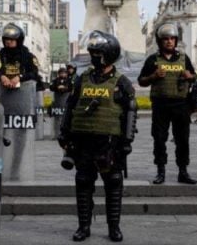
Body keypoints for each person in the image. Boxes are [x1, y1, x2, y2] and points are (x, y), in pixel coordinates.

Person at [58, 30, 136, 242]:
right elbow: (70, 106)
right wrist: (64, 133)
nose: (94, 57)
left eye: (98, 53)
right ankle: (84, 226)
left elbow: (130, 111)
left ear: (109, 54)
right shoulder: (82, 79)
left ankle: (114, 228)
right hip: (82, 141)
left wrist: (127, 141)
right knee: (83, 182)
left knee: (113, 183)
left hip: (109, 142)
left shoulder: (122, 82)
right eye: (92, 53)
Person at [138, 22, 197, 185]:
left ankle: (183, 171)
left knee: (182, 139)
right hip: (160, 105)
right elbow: (141, 81)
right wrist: (153, 77)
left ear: (176, 40)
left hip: (181, 104)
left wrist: (189, 76)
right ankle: (160, 172)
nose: (169, 41)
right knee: (159, 139)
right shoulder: (153, 59)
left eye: (172, 38)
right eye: (165, 39)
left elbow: (194, 77)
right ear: (160, 41)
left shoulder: (184, 59)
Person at [0, 23, 40, 90]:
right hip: (2, 93)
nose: (8, 42)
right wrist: (1, 76)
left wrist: (20, 77)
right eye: (6, 39)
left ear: (19, 40)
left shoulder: (28, 56)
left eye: (12, 40)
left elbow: (34, 73)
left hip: (25, 93)